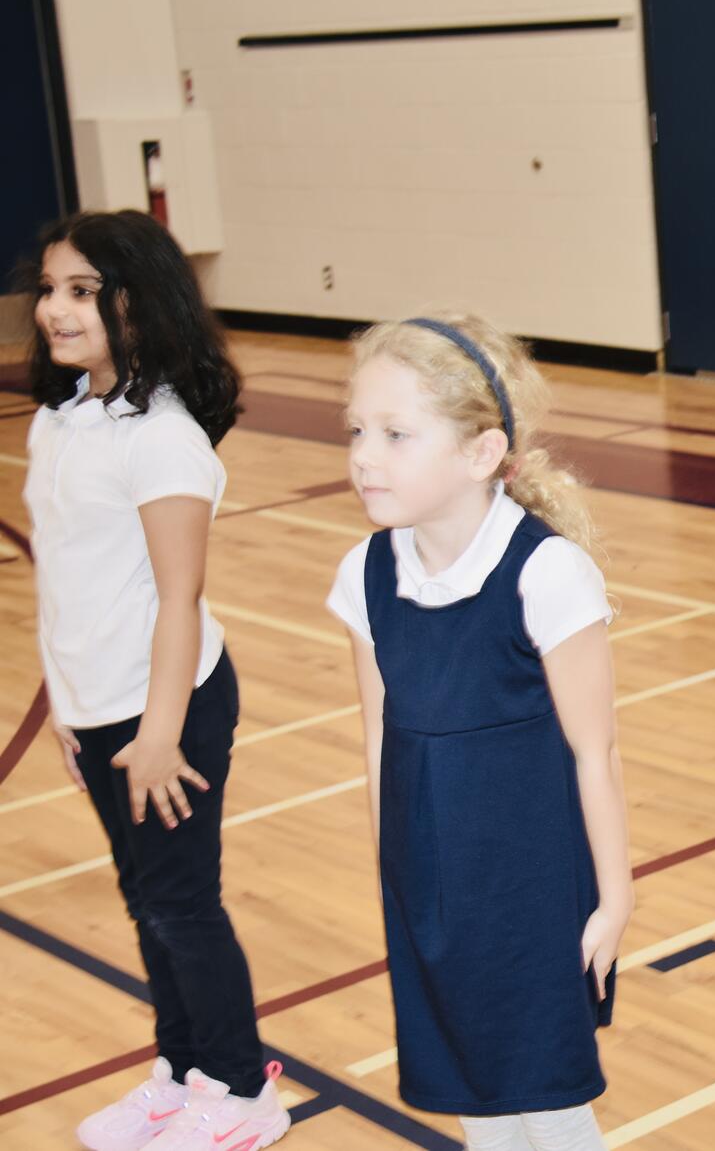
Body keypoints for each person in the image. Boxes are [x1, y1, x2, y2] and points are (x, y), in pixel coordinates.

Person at [326, 313, 632, 1151]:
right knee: (475, 1091)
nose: (364, 456)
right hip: (429, 886)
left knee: (547, 1097)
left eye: (395, 434)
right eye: (357, 430)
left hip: (533, 889)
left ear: (480, 451)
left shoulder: (546, 573)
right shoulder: (366, 574)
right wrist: (395, 874)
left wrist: (614, 897)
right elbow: (380, 733)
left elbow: (595, 751)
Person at [24, 209, 289, 1151]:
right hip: (102, 709)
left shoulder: (163, 437)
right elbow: (67, 574)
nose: (55, 309)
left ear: (137, 301)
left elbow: (179, 599)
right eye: (49, 289)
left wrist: (159, 735)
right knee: (147, 904)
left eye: (82, 291)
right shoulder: (61, 420)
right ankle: (181, 1071)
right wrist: (66, 703)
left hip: (166, 710)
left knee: (181, 905)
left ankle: (243, 1090)